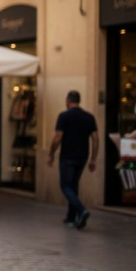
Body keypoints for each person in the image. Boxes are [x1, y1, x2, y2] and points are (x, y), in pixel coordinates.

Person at [47, 90, 98, 229]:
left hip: (67, 156)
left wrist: (51, 153)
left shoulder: (64, 116)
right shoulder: (89, 117)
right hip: (82, 157)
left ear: (68, 101)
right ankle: (71, 217)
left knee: (65, 186)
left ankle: (81, 210)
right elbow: (95, 139)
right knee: (73, 186)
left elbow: (58, 137)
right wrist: (93, 158)